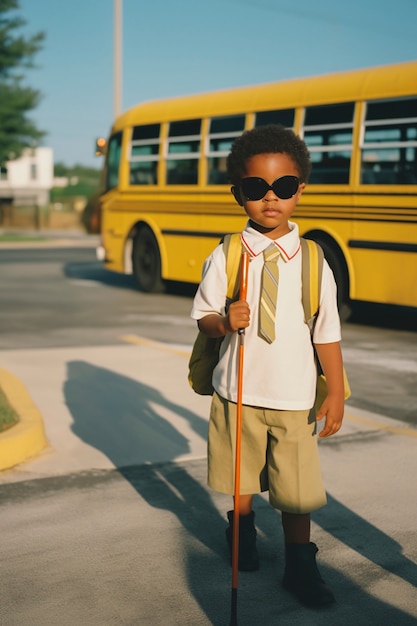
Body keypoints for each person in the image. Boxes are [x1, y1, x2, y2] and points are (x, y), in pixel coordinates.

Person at [190, 124, 345, 608]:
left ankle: (301, 566)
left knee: (297, 494)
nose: (270, 199)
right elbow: (203, 315)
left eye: (284, 187)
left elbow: (326, 332)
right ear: (239, 193)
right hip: (236, 394)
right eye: (257, 188)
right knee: (241, 483)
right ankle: (243, 537)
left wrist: (336, 391)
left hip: (295, 399)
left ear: (301, 189)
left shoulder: (315, 260)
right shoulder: (228, 254)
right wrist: (223, 320)